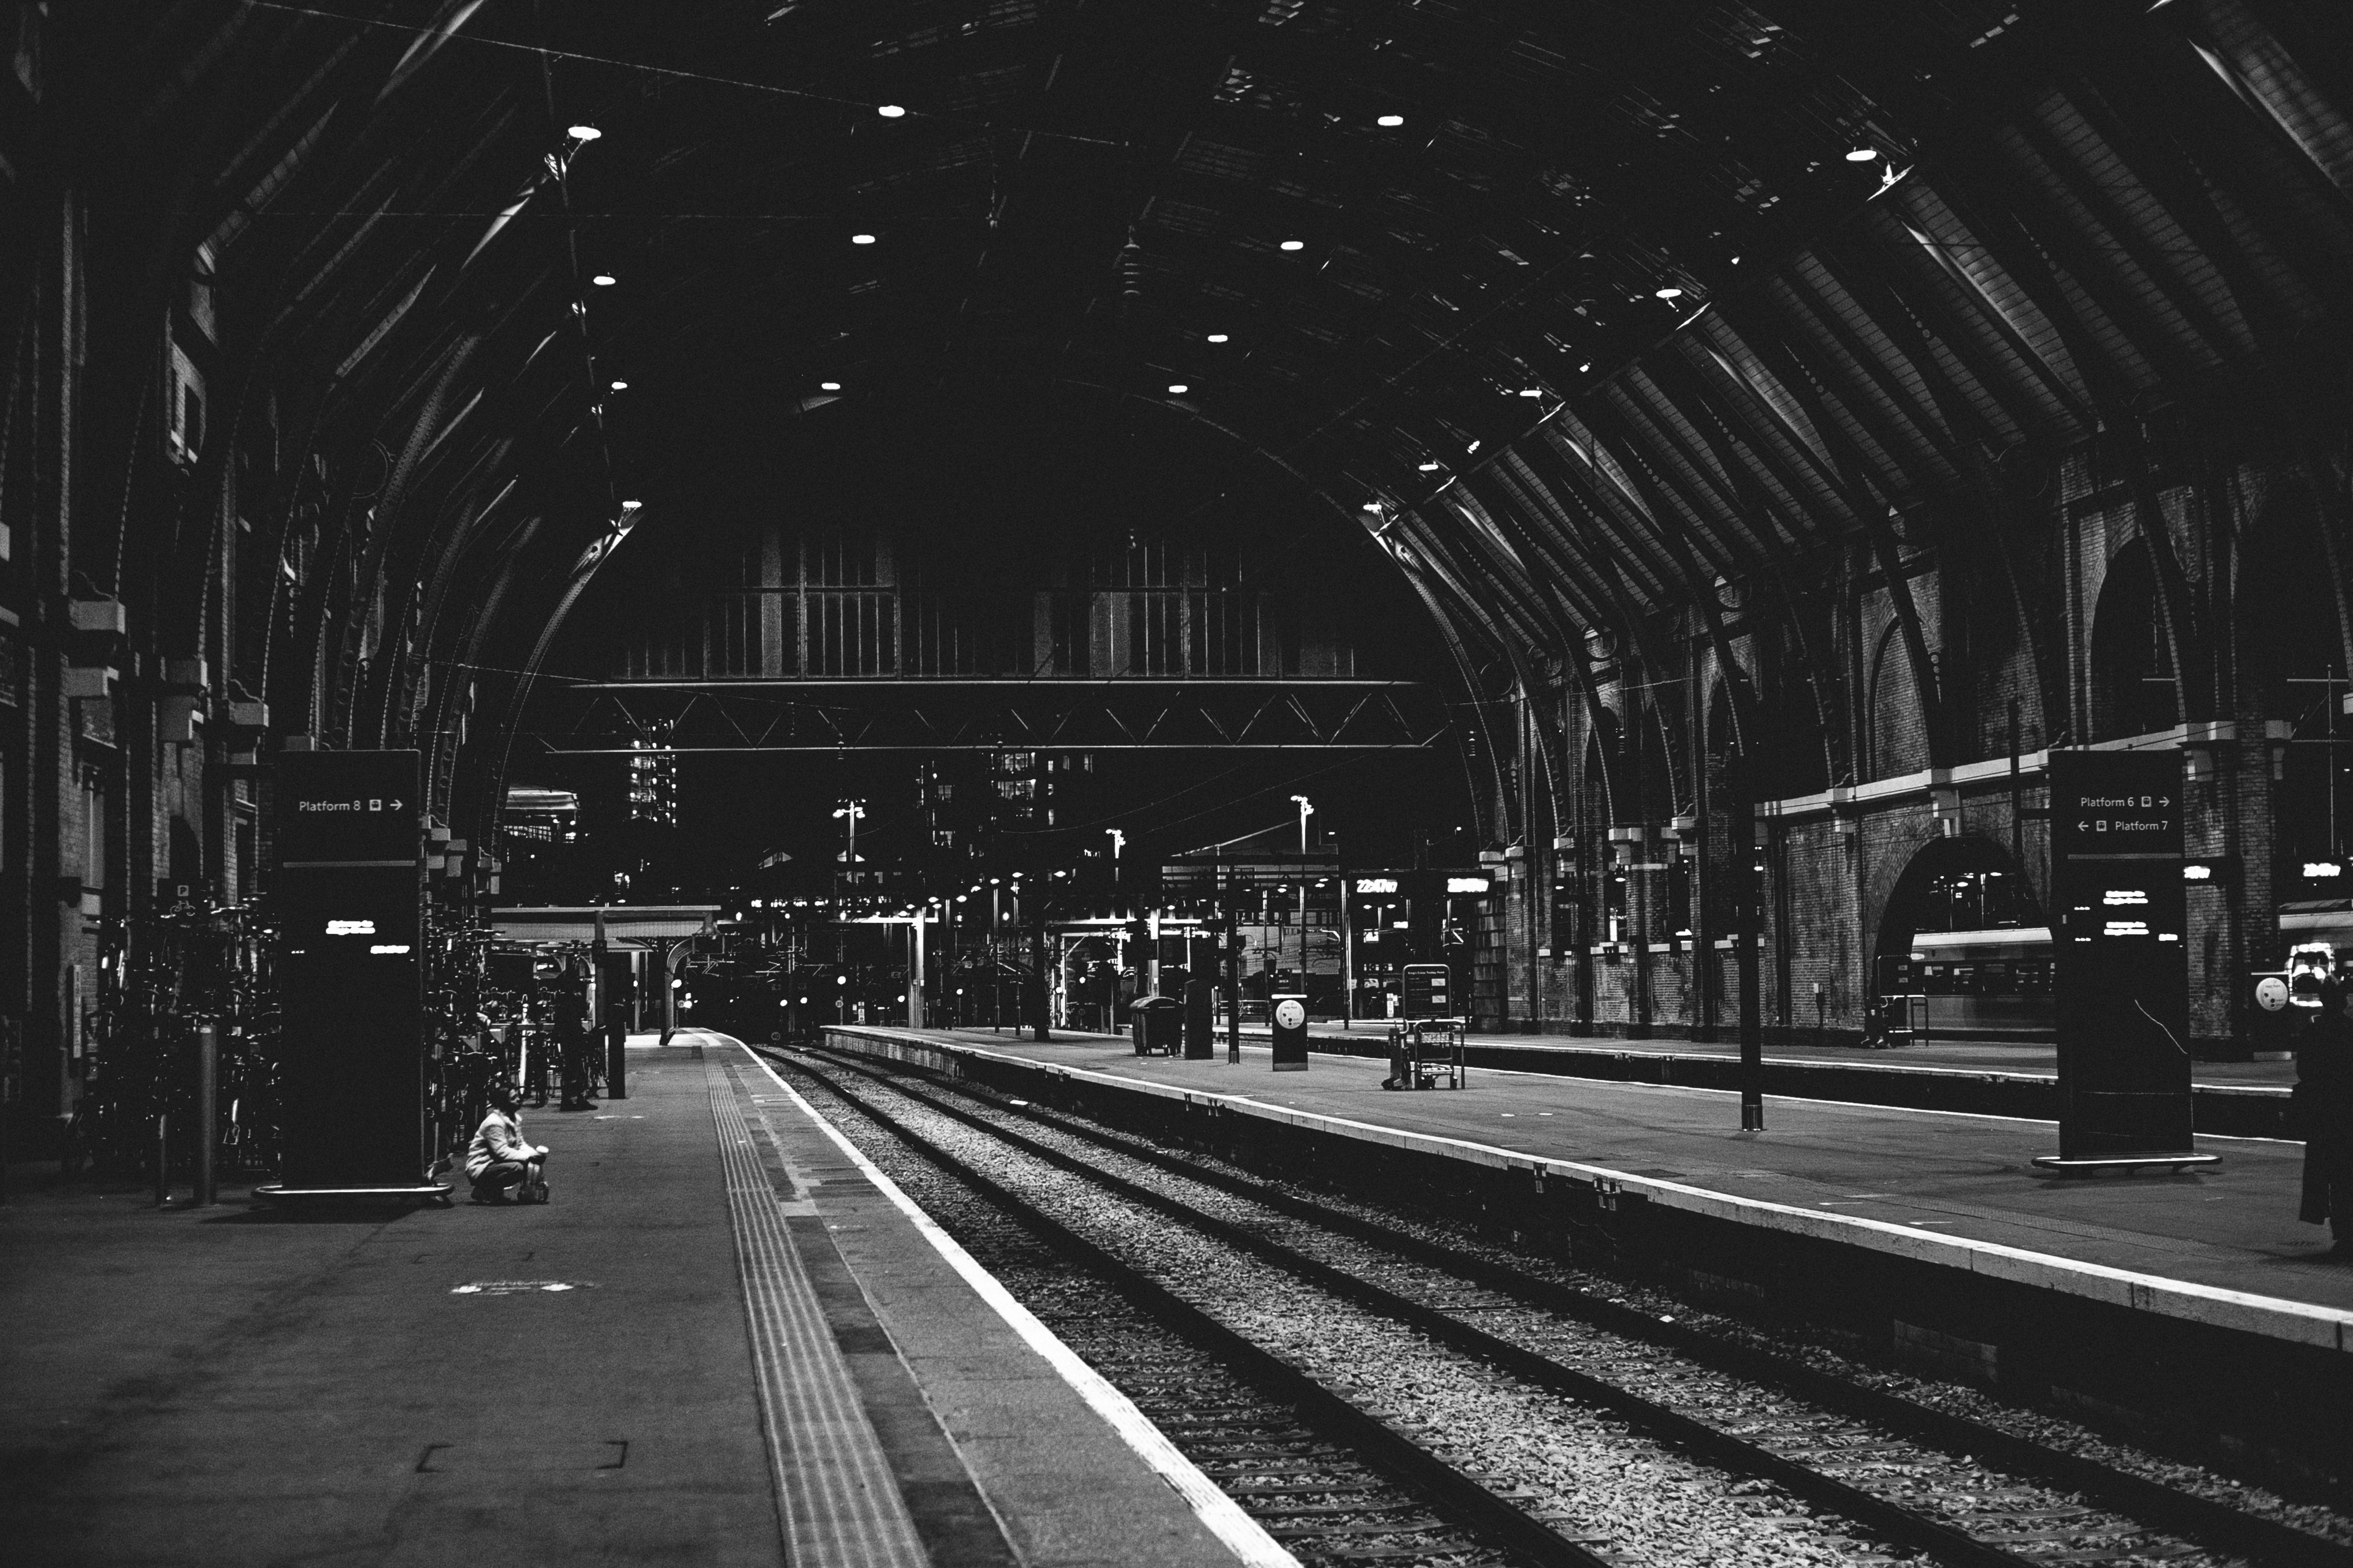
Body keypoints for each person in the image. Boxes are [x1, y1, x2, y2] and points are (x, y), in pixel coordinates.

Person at [2295, 972, 2353, 1250]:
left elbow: (2304, 1070)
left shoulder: (2313, 1029)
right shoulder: (2351, 1029)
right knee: (2347, 1172)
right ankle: (2347, 1228)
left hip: (2321, 1111)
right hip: (2348, 1109)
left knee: (2323, 1171)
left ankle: (2335, 1227)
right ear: (2343, 1003)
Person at [466, 1082, 549, 1204]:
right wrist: (529, 1157)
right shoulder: (494, 1123)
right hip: (481, 1167)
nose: (518, 1100)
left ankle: (492, 1192)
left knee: (528, 1164)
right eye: (513, 1098)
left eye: (517, 1096)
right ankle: (484, 1190)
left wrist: (535, 1154)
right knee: (518, 1168)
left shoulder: (514, 1118)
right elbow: (502, 1152)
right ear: (504, 1103)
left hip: (494, 1164)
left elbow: (520, 1144)